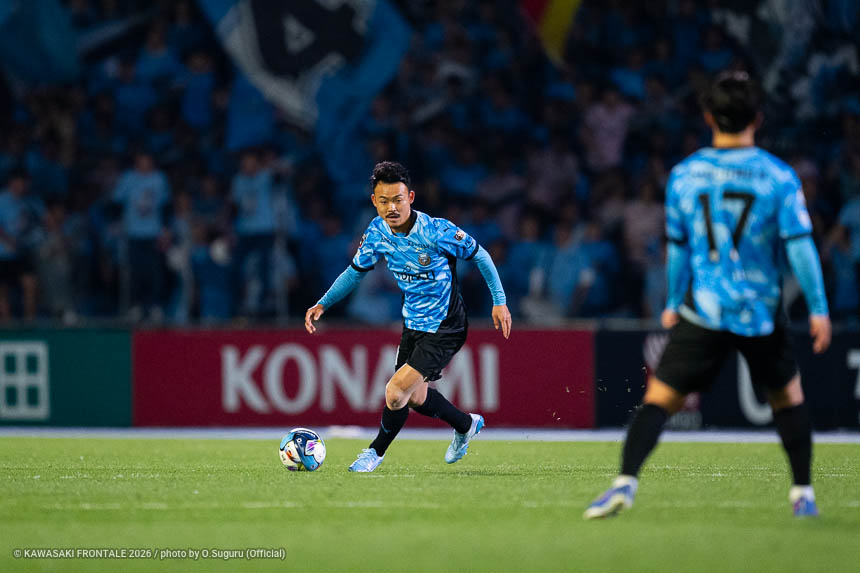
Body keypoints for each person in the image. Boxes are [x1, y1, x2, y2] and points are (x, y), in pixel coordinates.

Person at [585, 71, 831, 519]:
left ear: (708, 117)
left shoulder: (685, 175)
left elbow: (678, 249)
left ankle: (624, 483)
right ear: (758, 118)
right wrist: (817, 308)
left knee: (660, 399)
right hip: (760, 310)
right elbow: (800, 246)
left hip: (705, 308)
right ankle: (802, 494)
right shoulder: (778, 176)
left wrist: (672, 301)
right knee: (787, 399)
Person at [305, 161, 511, 472]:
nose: (391, 207)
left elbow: (480, 254)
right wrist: (323, 303)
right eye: (384, 201)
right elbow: (355, 272)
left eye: (398, 200)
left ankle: (374, 453)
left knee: (395, 391)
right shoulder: (376, 232)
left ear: (410, 197)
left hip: (445, 325)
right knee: (414, 397)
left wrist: (499, 301)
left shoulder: (436, 230)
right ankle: (466, 424)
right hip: (413, 324)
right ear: (374, 201)